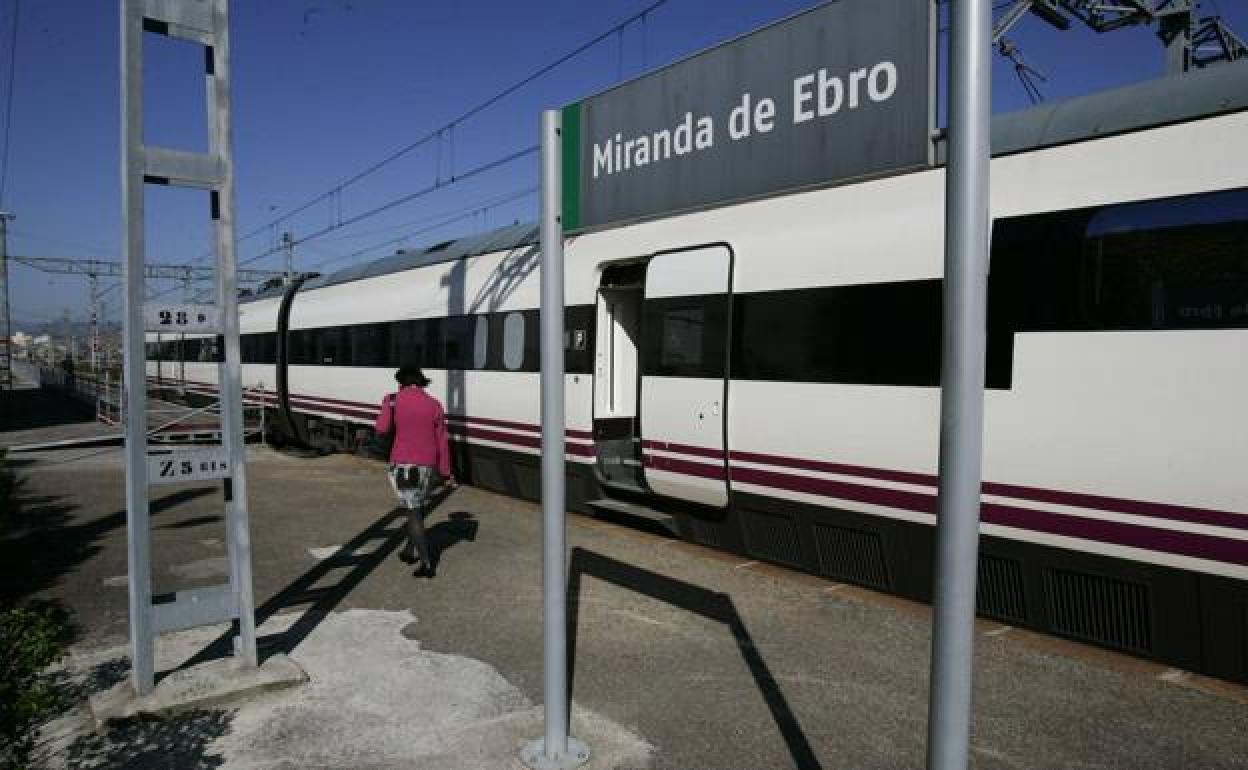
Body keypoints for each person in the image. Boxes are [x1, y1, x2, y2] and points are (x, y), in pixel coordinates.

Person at [374, 366, 455, 576]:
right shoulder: (435, 404)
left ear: (400, 381)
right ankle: (409, 551)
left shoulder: (392, 399)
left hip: (404, 465)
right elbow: (442, 442)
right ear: (421, 382)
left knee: (414, 513)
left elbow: (381, 428)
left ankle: (427, 565)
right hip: (428, 467)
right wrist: (446, 471)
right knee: (415, 508)